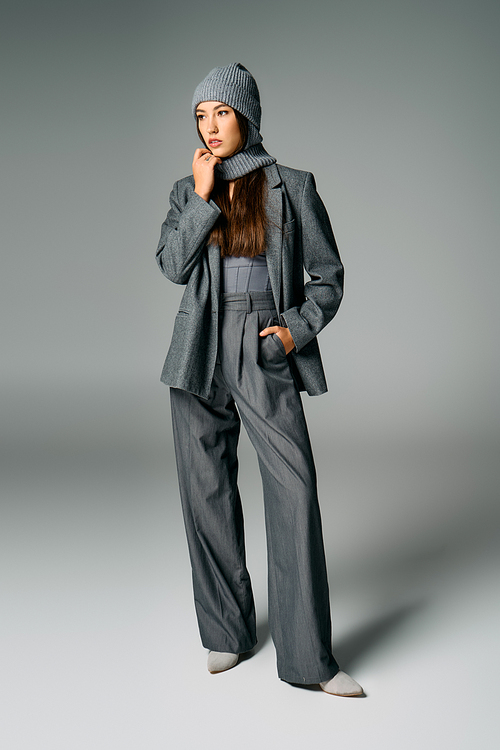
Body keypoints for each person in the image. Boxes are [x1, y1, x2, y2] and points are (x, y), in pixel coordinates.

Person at [155, 63, 363, 697]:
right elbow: (170, 265)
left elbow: (327, 279)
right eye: (200, 115)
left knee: (293, 490)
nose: (210, 126)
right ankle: (225, 633)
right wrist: (199, 195)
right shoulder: (189, 188)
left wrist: (293, 332)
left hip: (262, 343)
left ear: (246, 114)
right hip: (199, 347)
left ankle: (309, 660)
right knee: (206, 489)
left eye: (220, 112)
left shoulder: (291, 185)